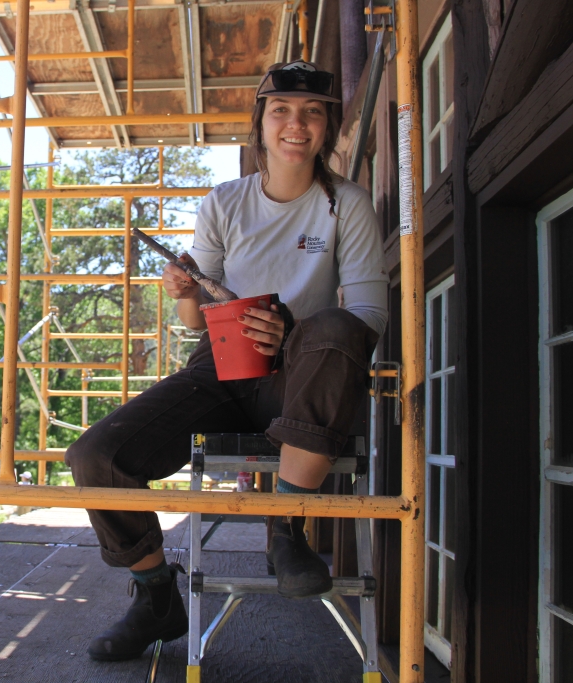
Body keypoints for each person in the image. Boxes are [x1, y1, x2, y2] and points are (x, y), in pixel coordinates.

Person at [65, 60, 389, 662]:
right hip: (220, 369)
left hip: (303, 376)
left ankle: (286, 527)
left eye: (313, 112)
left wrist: (293, 326)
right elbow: (194, 321)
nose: (297, 123)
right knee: (95, 456)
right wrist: (188, 294)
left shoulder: (347, 205)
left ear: (328, 127)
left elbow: (370, 315)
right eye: (282, 110)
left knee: (338, 327)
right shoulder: (224, 202)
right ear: (260, 124)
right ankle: (155, 596)